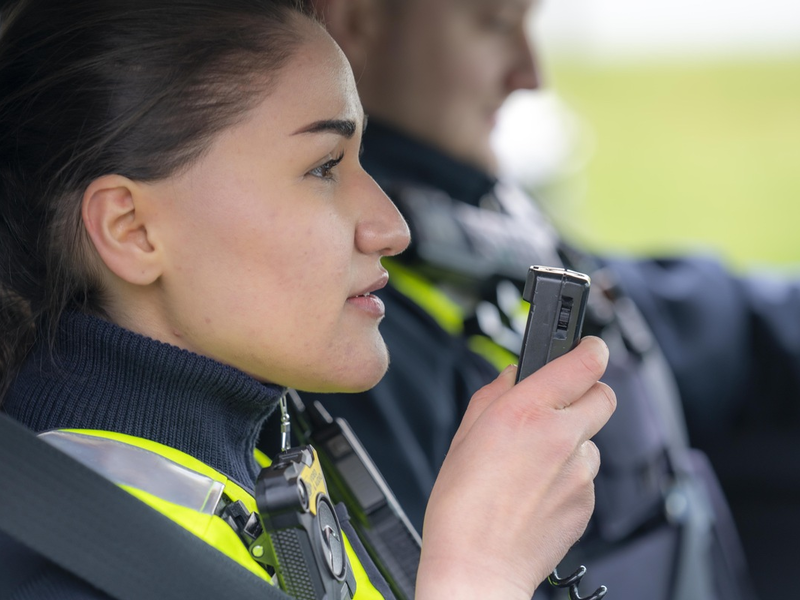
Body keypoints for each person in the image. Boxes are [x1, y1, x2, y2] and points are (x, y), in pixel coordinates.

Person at [0, 1, 618, 598]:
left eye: (359, 160)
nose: (391, 227)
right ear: (131, 230)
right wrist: (478, 575)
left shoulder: (273, 453)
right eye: (324, 166)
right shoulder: (56, 569)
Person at [296, 0, 800, 598]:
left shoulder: (479, 219)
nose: (530, 74)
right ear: (357, 18)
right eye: (496, 23)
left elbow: (699, 319)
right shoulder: (350, 343)